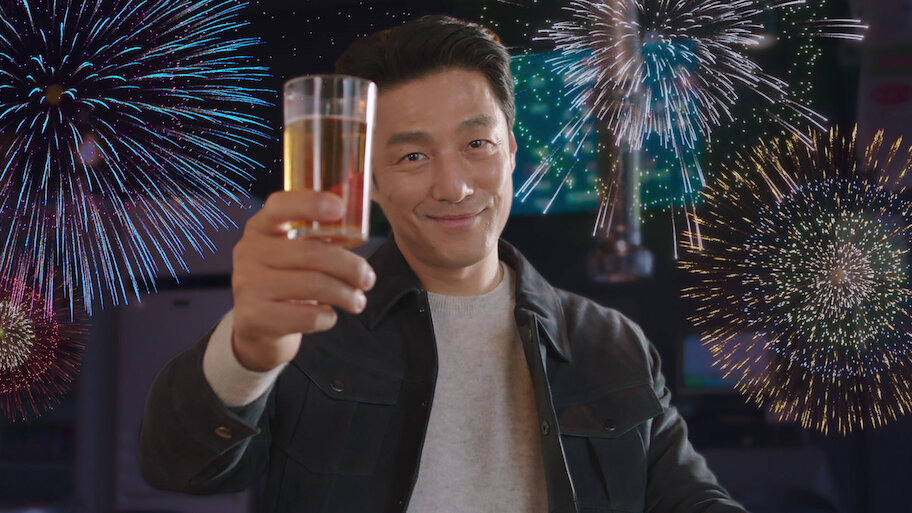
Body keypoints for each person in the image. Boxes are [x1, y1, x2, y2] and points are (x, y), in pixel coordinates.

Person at [139, 15, 747, 513]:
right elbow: (179, 465)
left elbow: (689, 499)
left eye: (477, 144)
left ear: (511, 151)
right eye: (412, 156)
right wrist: (248, 348)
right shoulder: (310, 329)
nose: (453, 187)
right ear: (371, 181)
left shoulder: (610, 344)